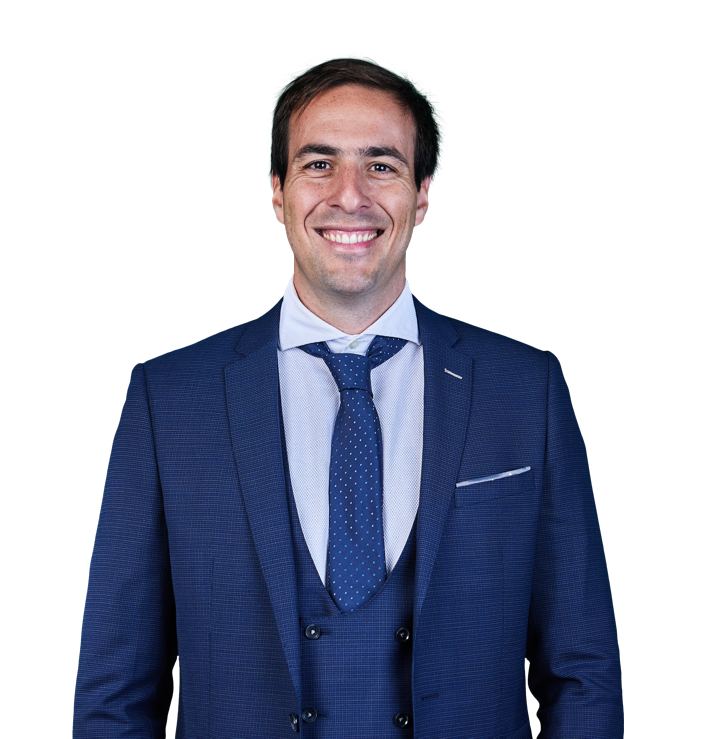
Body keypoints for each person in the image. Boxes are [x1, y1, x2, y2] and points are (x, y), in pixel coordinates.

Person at [74, 53, 623, 738]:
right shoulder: (169, 397)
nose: (350, 196)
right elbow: (115, 692)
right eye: (319, 163)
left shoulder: (524, 387)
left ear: (422, 196)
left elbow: (581, 672)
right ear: (278, 193)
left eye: (382, 165)